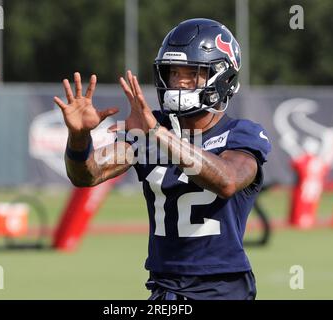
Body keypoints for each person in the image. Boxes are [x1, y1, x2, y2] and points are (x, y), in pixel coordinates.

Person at [54, 18, 271, 300]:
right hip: (164, 288)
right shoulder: (151, 130)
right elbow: (87, 175)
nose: (179, 82)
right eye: (173, 73)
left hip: (221, 290)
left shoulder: (241, 134)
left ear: (223, 76)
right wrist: (80, 137)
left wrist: (158, 134)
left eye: (193, 73)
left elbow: (227, 180)